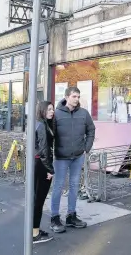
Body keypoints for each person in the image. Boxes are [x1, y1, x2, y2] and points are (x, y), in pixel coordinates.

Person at [50, 86, 95, 233]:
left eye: (78, 96)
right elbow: (50, 135)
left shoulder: (84, 113)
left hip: (77, 156)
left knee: (74, 186)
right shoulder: (56, 114)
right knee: (58, 186)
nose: (76, 99)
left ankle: (71, 216)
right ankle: (55, 218)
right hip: (61, 157)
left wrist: (86, 148)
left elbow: (91, 130)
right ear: (67, 97)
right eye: (74, 96)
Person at [33, 101, 55, 244]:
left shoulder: (39, 123)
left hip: (39, 164)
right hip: (42, 166)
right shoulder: (42, 125)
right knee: (39, 200)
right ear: (42, 110)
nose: (52, 111)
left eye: (52, 109)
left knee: (37, 199)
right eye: (49, 109)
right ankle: (35, 233)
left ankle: (34, 230)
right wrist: (50, 170)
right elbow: (43, 151)